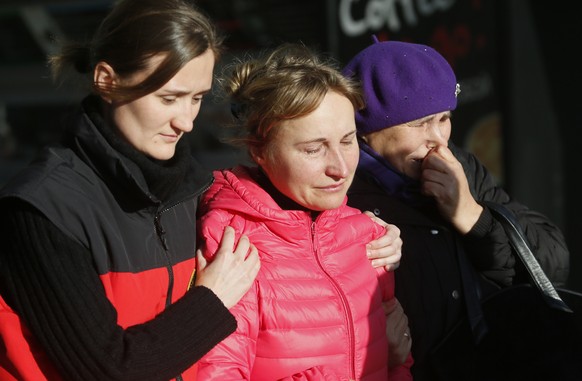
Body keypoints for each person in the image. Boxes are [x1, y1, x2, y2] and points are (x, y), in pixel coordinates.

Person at [0, 3, 402, 380]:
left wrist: (364, 233)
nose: (186, 121)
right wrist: (211, 300)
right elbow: (108, 371)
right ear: (107, 80)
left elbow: (284, 226)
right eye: (169, 98)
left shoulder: (190, 192)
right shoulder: (41, 209)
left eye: (196, 99)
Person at [341, 38, 571, 381]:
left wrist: (472, 216)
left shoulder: (459, 168)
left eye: (444, 118)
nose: (439, 139)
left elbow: (554, 263)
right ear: (369, 131)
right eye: (419, 123)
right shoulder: (340, 193)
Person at [195, 43, 413, 380]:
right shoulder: (231, 241)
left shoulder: (366, 233)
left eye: (348, 140)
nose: (340, 168)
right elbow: (218, 371)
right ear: (259, 150)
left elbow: (397, 361)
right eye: (313, 149)